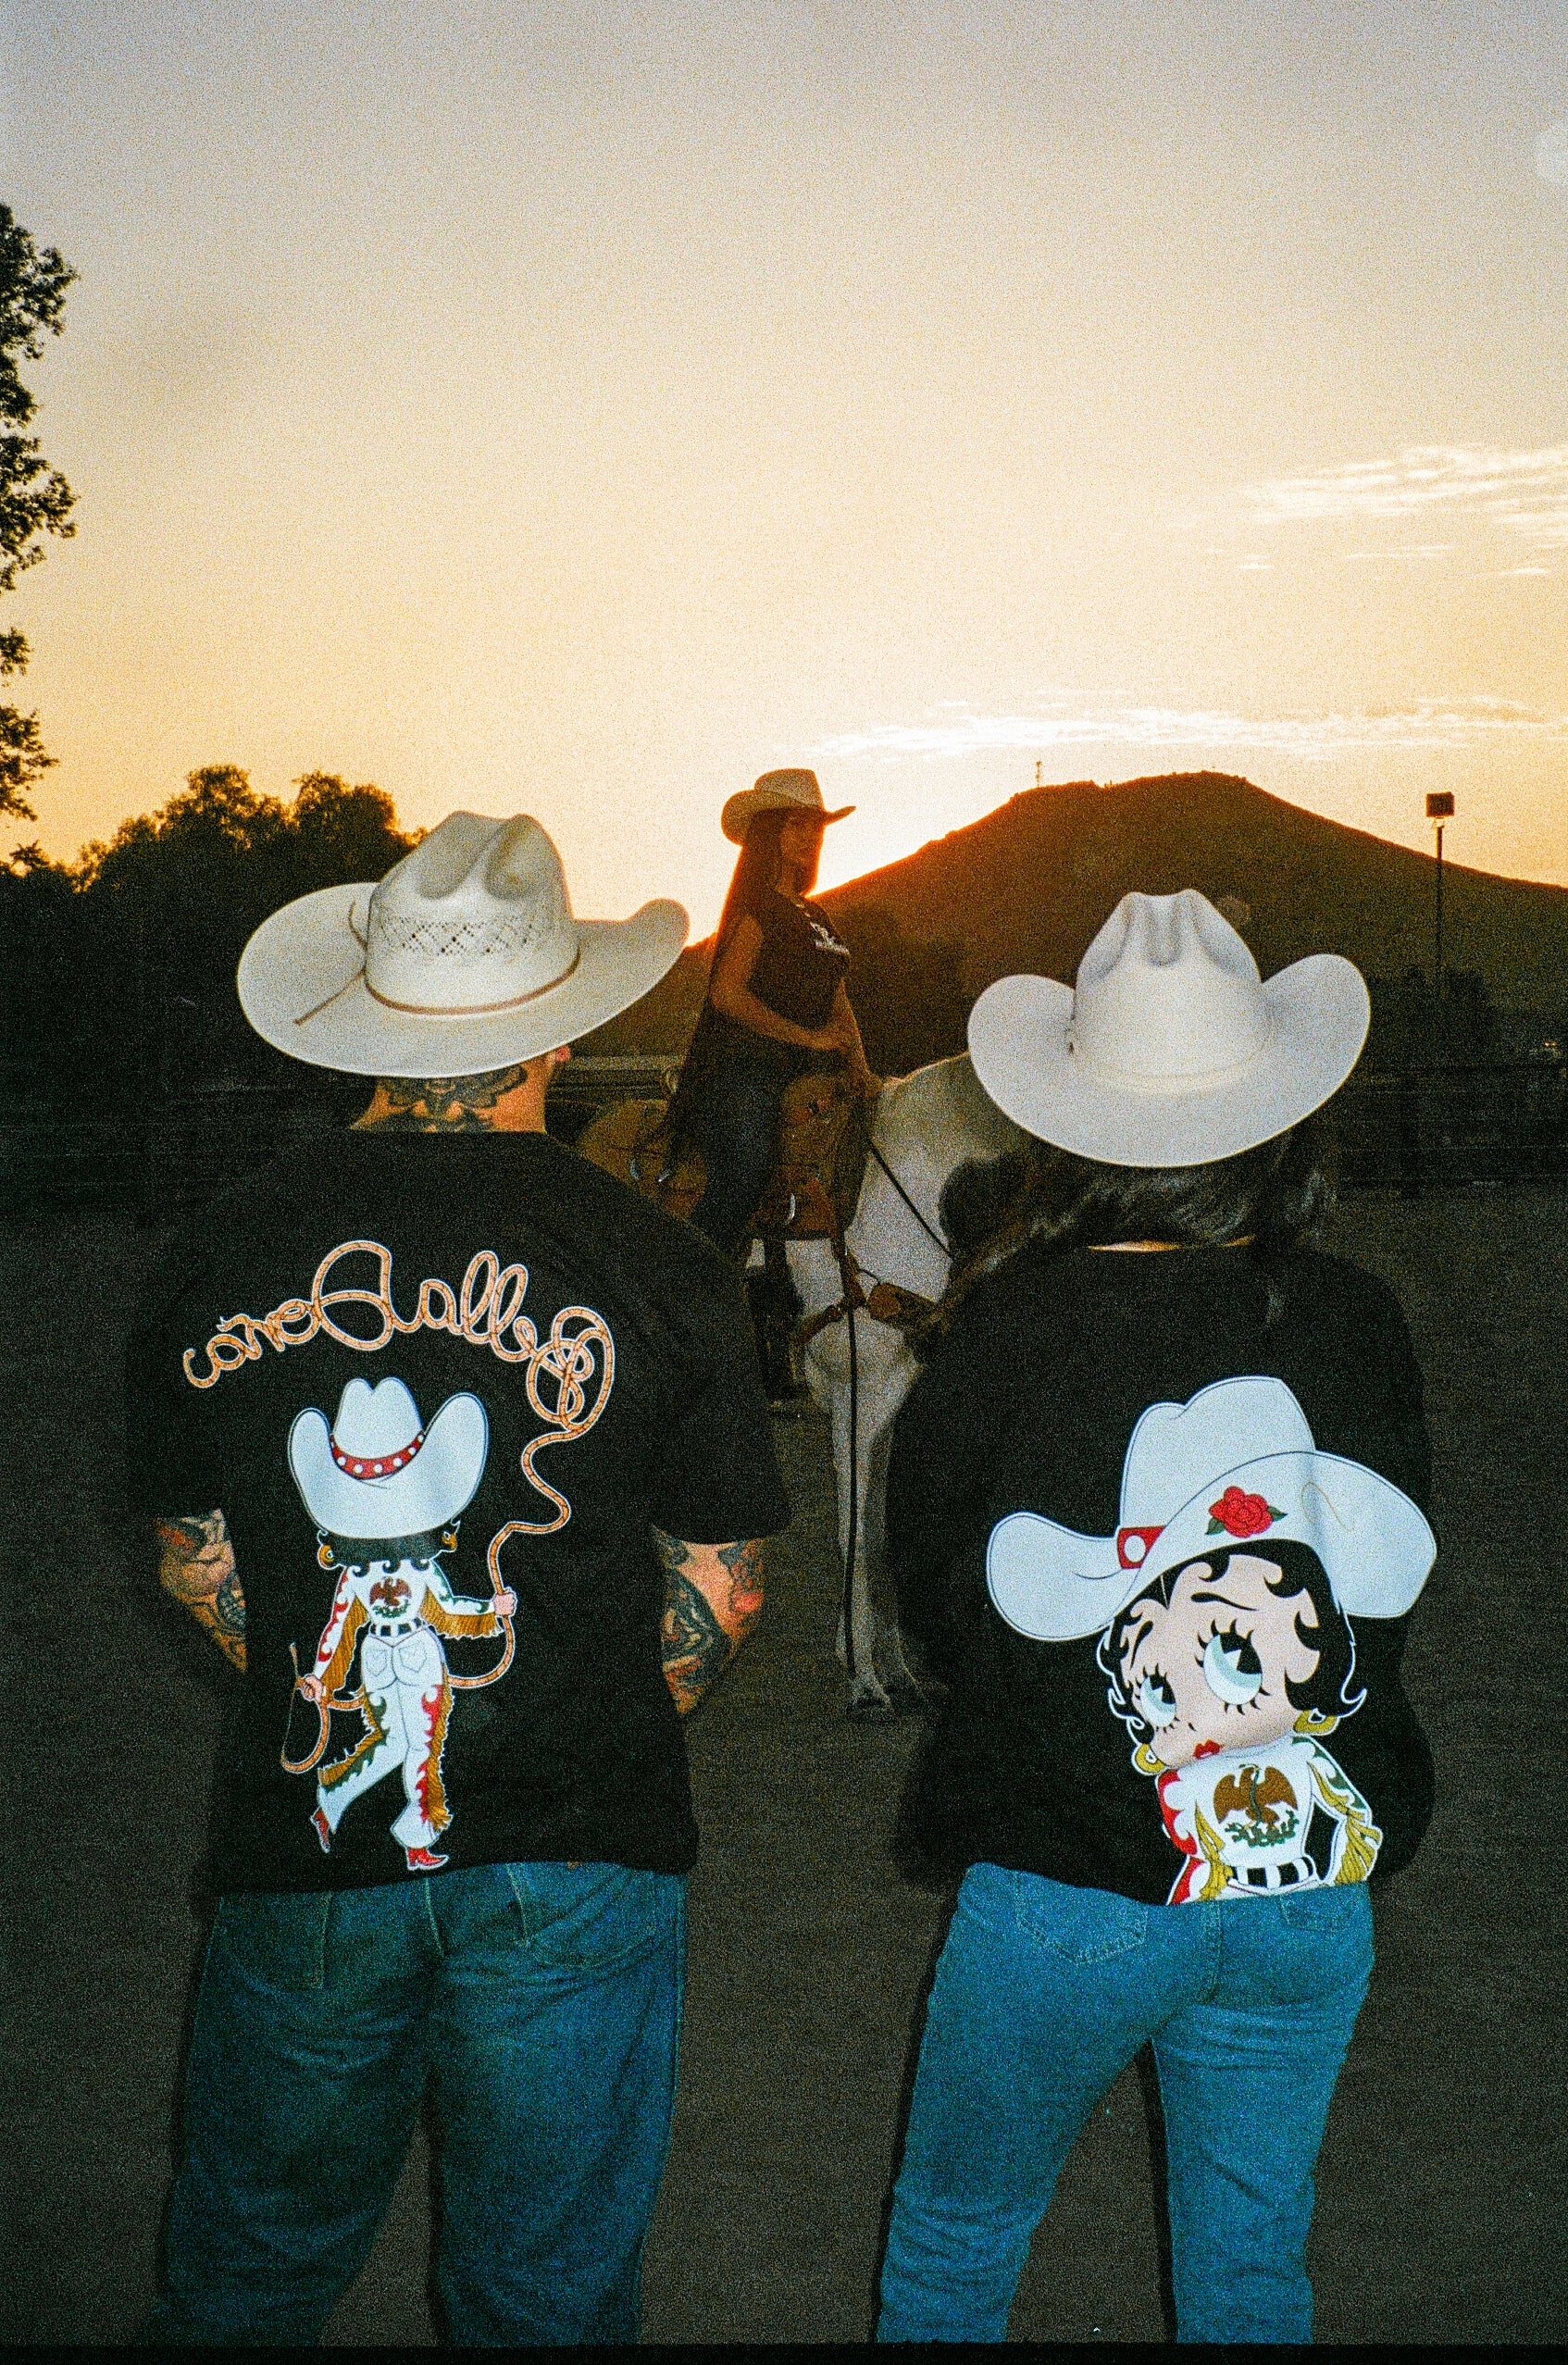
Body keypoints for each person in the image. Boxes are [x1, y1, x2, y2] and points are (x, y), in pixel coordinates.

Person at [125, 810, 791, 2347]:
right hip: (581, 1841)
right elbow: (724, 1581)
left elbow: (194, 1560)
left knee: (246, 2277)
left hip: (302, 1846)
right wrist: (567, 1708)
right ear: (556, 1020)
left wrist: (324, 1673)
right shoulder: (660, 1260)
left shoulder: (217, 1251)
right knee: (543, 2295)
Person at [876, 888, 1437, 2346]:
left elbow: (935, 1594)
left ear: (1071, 1127)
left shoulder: (1000, 1323)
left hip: (1069, 1874)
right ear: (1274, 1113)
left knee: (954, 2244)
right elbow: (1390, 1581)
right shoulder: (1351, 1314)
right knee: (1250, 2266)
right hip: (1311, 1873)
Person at [672, 766, 876, 1257]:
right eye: (798, 824)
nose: (812, 836)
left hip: (808, 1069)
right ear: (770, 833)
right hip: (745, 1069)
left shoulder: (816, 915)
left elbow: (838, 999)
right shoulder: (756, 908)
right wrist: (806, 1039)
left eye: (817, 826)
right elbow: (727, 994)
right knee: (747, 1167)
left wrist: (860, 1067)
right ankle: (691, 1275)